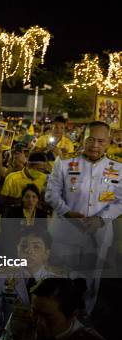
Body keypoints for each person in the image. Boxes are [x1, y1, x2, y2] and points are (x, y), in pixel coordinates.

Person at [45, 121, 122, 313]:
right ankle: (58, 319)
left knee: (90, 282)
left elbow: (120, 200)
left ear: (109, 141)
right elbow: (51, 194)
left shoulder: (118, 167)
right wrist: (68, 213)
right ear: (82, 139)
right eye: (91, 140)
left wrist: (101, 219)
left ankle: (83, 318)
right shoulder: (64, 163)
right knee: (61, 279)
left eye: (101, 141)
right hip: (66, 232)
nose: (95, 145)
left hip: (99, 234)